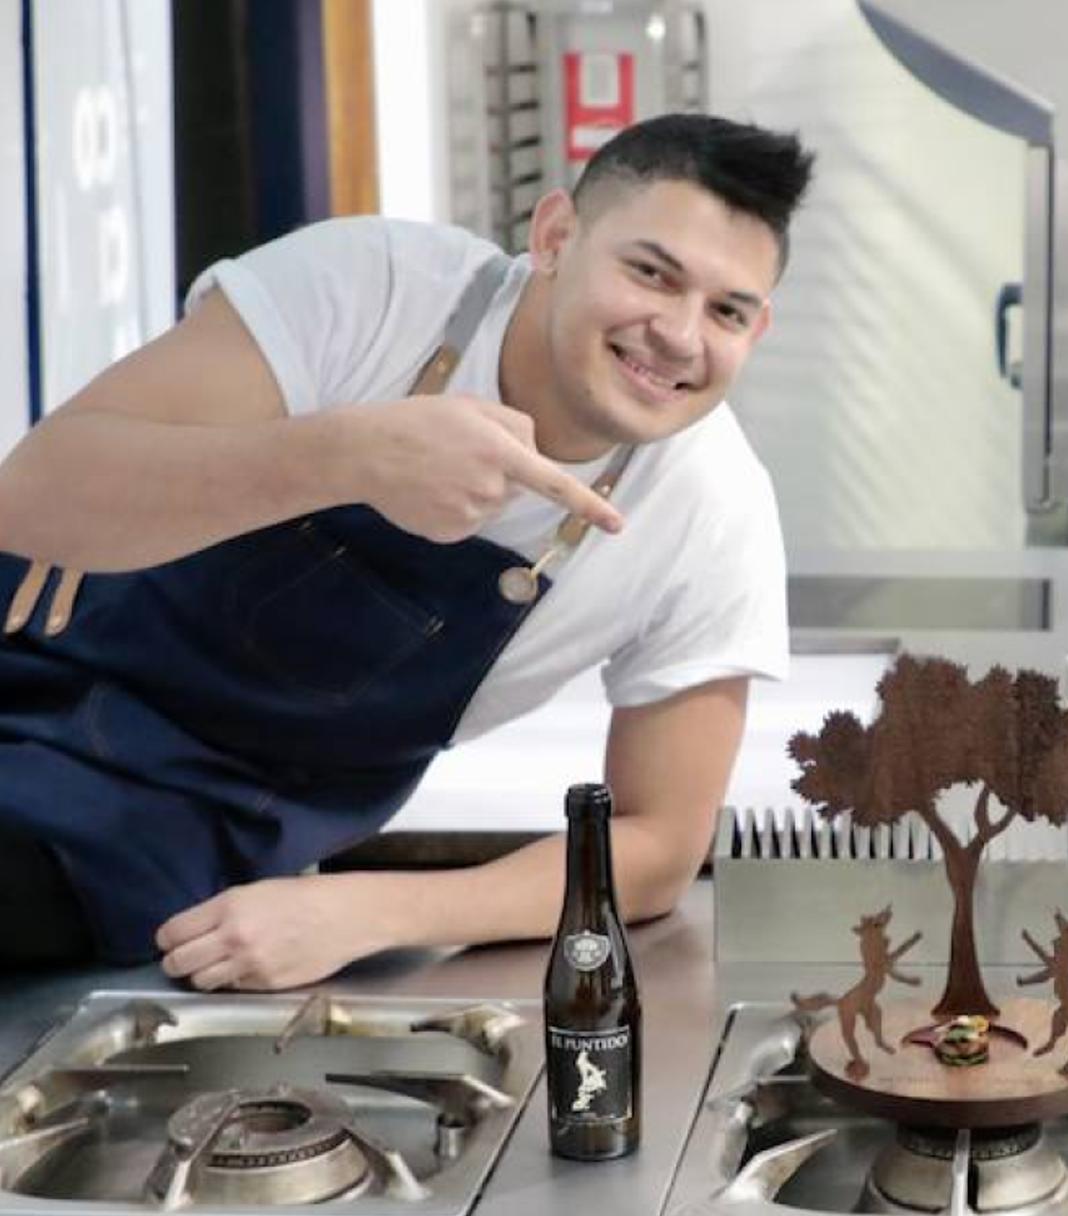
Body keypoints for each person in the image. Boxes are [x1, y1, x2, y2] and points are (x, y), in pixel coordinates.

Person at [0, 113, 813, 990]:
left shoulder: (712, 512)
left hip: (147, 842)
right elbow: (36, 493)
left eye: (726, 311)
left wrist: (376, 910)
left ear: (757, 332)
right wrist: (352, 456)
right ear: (554, 237)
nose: (680, 336)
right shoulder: (378, 287)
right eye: (651, 273)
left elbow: (660, 843)